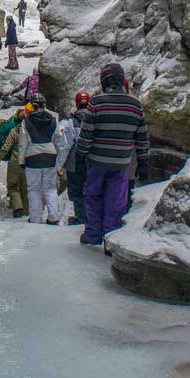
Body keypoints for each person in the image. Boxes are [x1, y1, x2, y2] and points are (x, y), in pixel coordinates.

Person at [77, 63, 149, 248]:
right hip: (121, 163)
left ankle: (92, 234)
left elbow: (86, 134)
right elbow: (142, 137)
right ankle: (111, 240)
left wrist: (80, 157)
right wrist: (143, 162)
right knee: (116, 201)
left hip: (96, 161)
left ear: (104, 80)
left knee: (93, 197)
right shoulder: (135, 105)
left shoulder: (97, 102)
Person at [16, 94, 62, 224]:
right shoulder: (53, 120)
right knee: (50, 188)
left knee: (34, 189)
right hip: (50, 157)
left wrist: (21, 161)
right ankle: (54, 217)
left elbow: (23, 143)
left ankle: (35, 218)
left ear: (32, 105)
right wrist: (58, 157)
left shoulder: (27, 122)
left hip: (32, 158)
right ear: (44, 105)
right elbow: (58, 140)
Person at [56, 91, 91, 226]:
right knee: (91, 189)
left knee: (76, 191)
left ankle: (81, 217)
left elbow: (65, 146)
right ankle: (90, 216)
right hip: (91, 161)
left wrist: (59, 165)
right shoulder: (95, 118)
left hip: (75, 162)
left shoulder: (71, 122)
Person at [0, 106, 31, 217]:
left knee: (13, 187)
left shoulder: (14, 131)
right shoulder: (32, 132)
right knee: (25, 189)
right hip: (28, 163)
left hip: (14, 162)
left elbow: (6, 147)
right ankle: (26, 212)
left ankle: (17, 208)